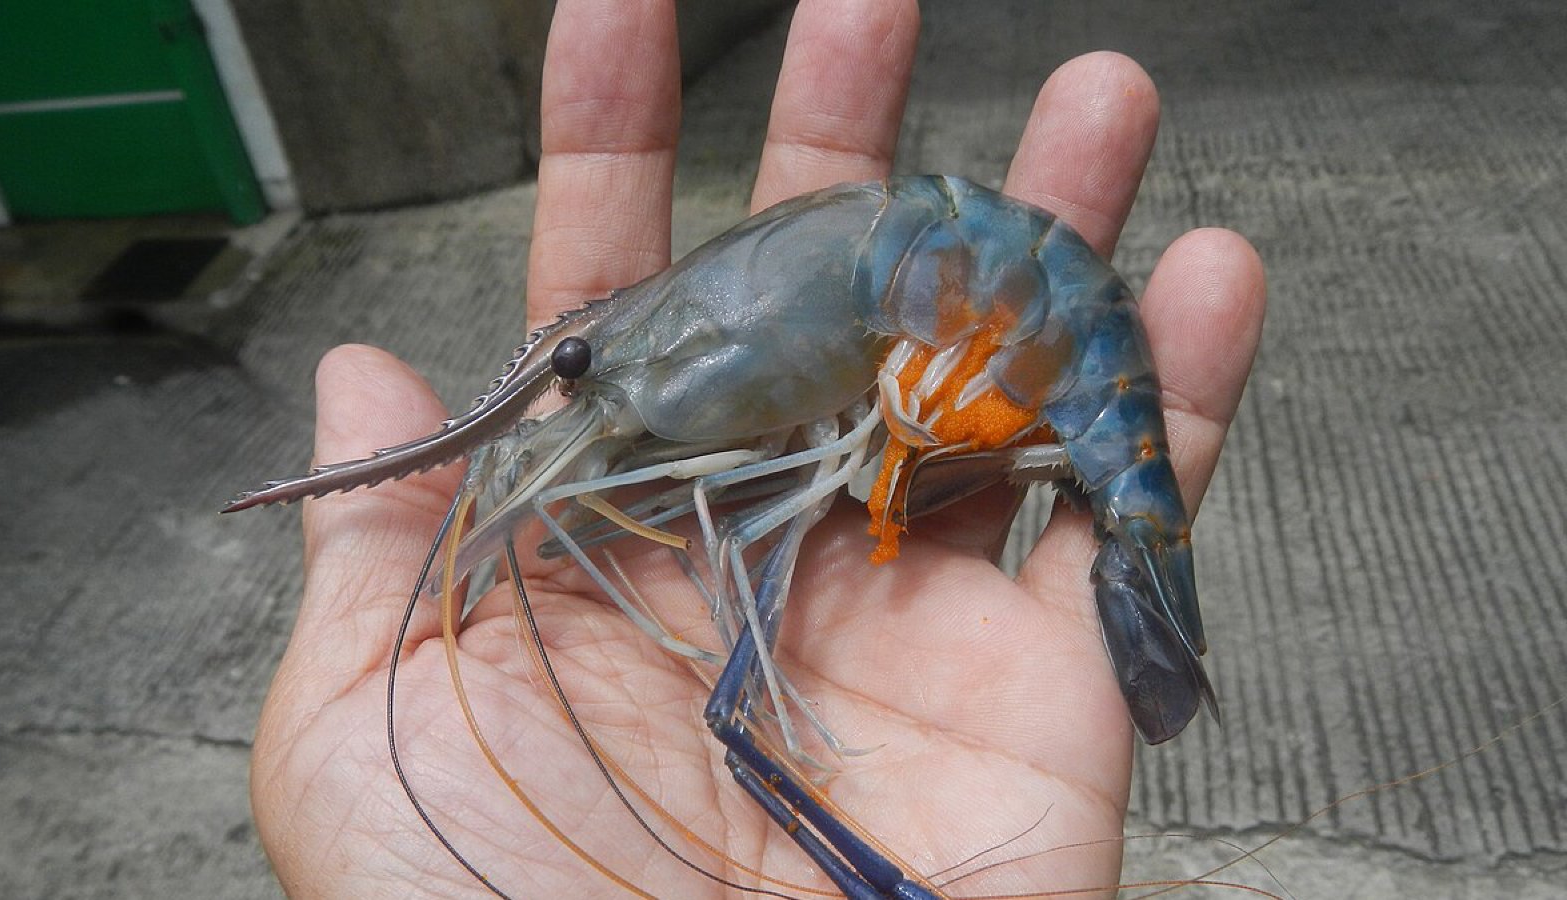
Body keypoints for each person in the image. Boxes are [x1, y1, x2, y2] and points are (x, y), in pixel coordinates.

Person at [248, 0, 1266, 896]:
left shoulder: (892, 307)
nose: (591, 398)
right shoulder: (723, 322)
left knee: (732, 712)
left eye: (582, 374)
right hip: (953, 327)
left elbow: (747, 438)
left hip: (1061, 349)